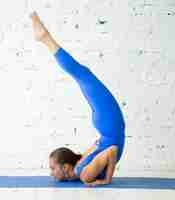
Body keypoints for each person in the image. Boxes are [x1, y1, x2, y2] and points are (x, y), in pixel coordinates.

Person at [30, 11, 126, 187]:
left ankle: (45, 38)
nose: (50, 172)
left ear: (66, 167)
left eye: (52, 168)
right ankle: (45, 38)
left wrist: (106, 175)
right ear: (66, 168)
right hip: (110, 127)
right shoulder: (84, 174)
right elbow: (111, 150)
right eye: (52, 168)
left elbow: (108, 149)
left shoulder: (83, 171)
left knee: (82, 75)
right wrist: (107, 178)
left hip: (109, 128)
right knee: (82, 74)